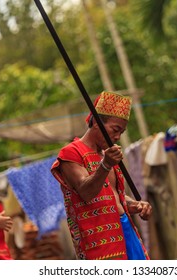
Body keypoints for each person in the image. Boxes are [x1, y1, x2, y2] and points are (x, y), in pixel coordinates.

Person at [51, 91, 152, 260]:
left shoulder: (106, 154)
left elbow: (112, 196)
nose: (118, 137)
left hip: (125, 230)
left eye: (122, 132)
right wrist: (105, 165)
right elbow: (86, 192)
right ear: (97, 122)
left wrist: (135, 205)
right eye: (115, 129)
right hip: (99, 243)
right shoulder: (71, 153)